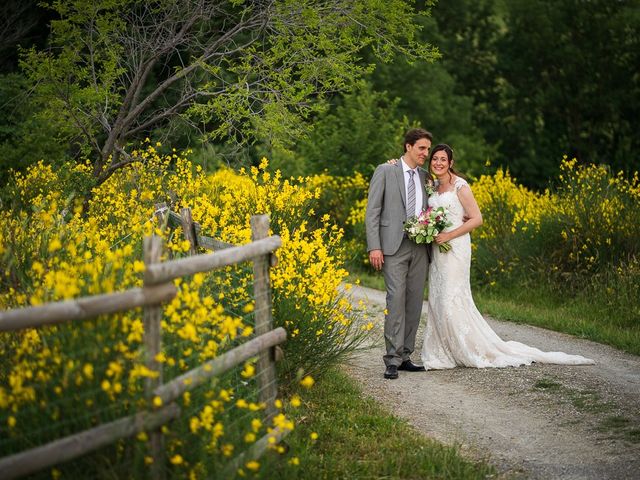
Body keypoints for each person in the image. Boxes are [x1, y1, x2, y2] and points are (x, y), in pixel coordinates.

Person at [421, 144, 595, 369]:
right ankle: (444, 349)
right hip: (438, 249)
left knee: (452, 296)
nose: (438, 163)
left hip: (455, 247)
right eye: (435, 159)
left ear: (451, 163)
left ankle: (465, 347)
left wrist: (449, 235)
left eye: (443, 159)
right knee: (438, 297)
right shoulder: (432, 187)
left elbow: (477, 218)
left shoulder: (460, 186)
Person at [365, 128, 434, 379]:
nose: (425, 153)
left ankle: (406, 356)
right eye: (422, 148)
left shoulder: (427, 177)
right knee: (395, 300)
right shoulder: (386, 170)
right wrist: (375, 246)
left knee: (414, 302)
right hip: (392, 246)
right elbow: (373, 210)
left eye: (428, 149)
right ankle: (391, 359)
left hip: (420, 247)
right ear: (408, 147)